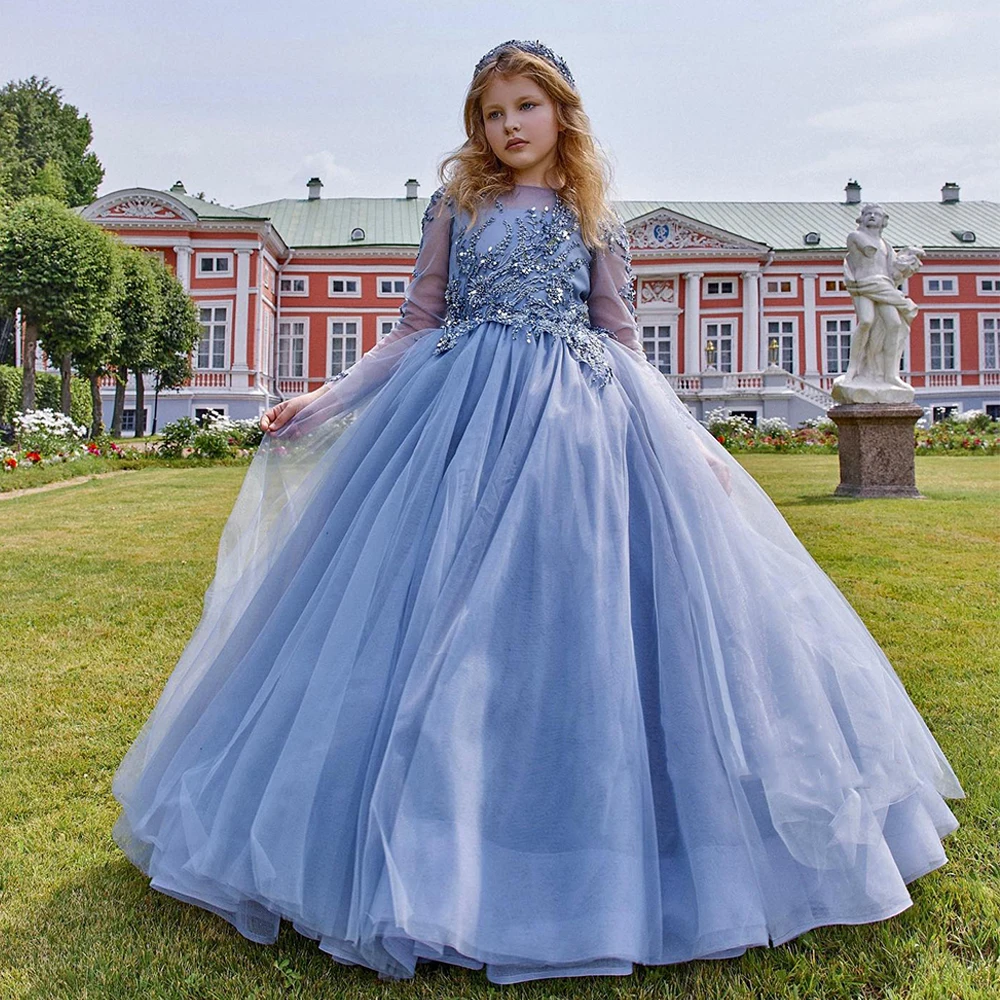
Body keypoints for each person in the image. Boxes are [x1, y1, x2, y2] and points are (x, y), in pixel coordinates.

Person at [112, 39, 964, 987]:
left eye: (525, 106)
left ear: (562, 112)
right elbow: (416, 324)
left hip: (583, 432)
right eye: (490, 111)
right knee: (434, 628)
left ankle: (612, 852)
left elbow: (624, 339)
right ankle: (423, 850)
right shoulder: (456, 205)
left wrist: (694, 448)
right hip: (450, 428)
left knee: (582, 628)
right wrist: (323, 401)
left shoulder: (593, 213)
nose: (507, 125)